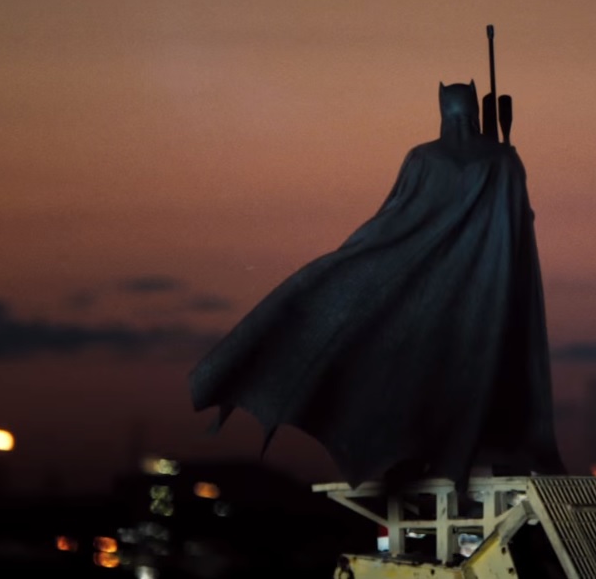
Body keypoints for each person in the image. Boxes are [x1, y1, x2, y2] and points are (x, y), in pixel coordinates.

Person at [189, 80, 565, 492]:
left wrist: (365, 253)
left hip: (448, 294)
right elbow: (517, 221)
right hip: (481, 295)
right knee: (447, 374)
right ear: (474, 111)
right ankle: (428, 452)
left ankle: (427, 453)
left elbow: (395, 216)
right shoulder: (501, 160)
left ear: (443, 110)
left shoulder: (429, 158)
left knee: (436, 373)